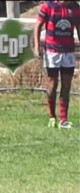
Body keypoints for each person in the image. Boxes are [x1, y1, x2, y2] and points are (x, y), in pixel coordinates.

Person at [34, 1, 80, 129]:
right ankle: (52, 116)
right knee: (52, 85)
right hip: (52, 52)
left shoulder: (75, 7)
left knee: (66, 85)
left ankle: (63, 120)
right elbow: (38, 25)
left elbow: (79, 27)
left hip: (68, 51)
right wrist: (37, 46)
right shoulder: (48, 6)